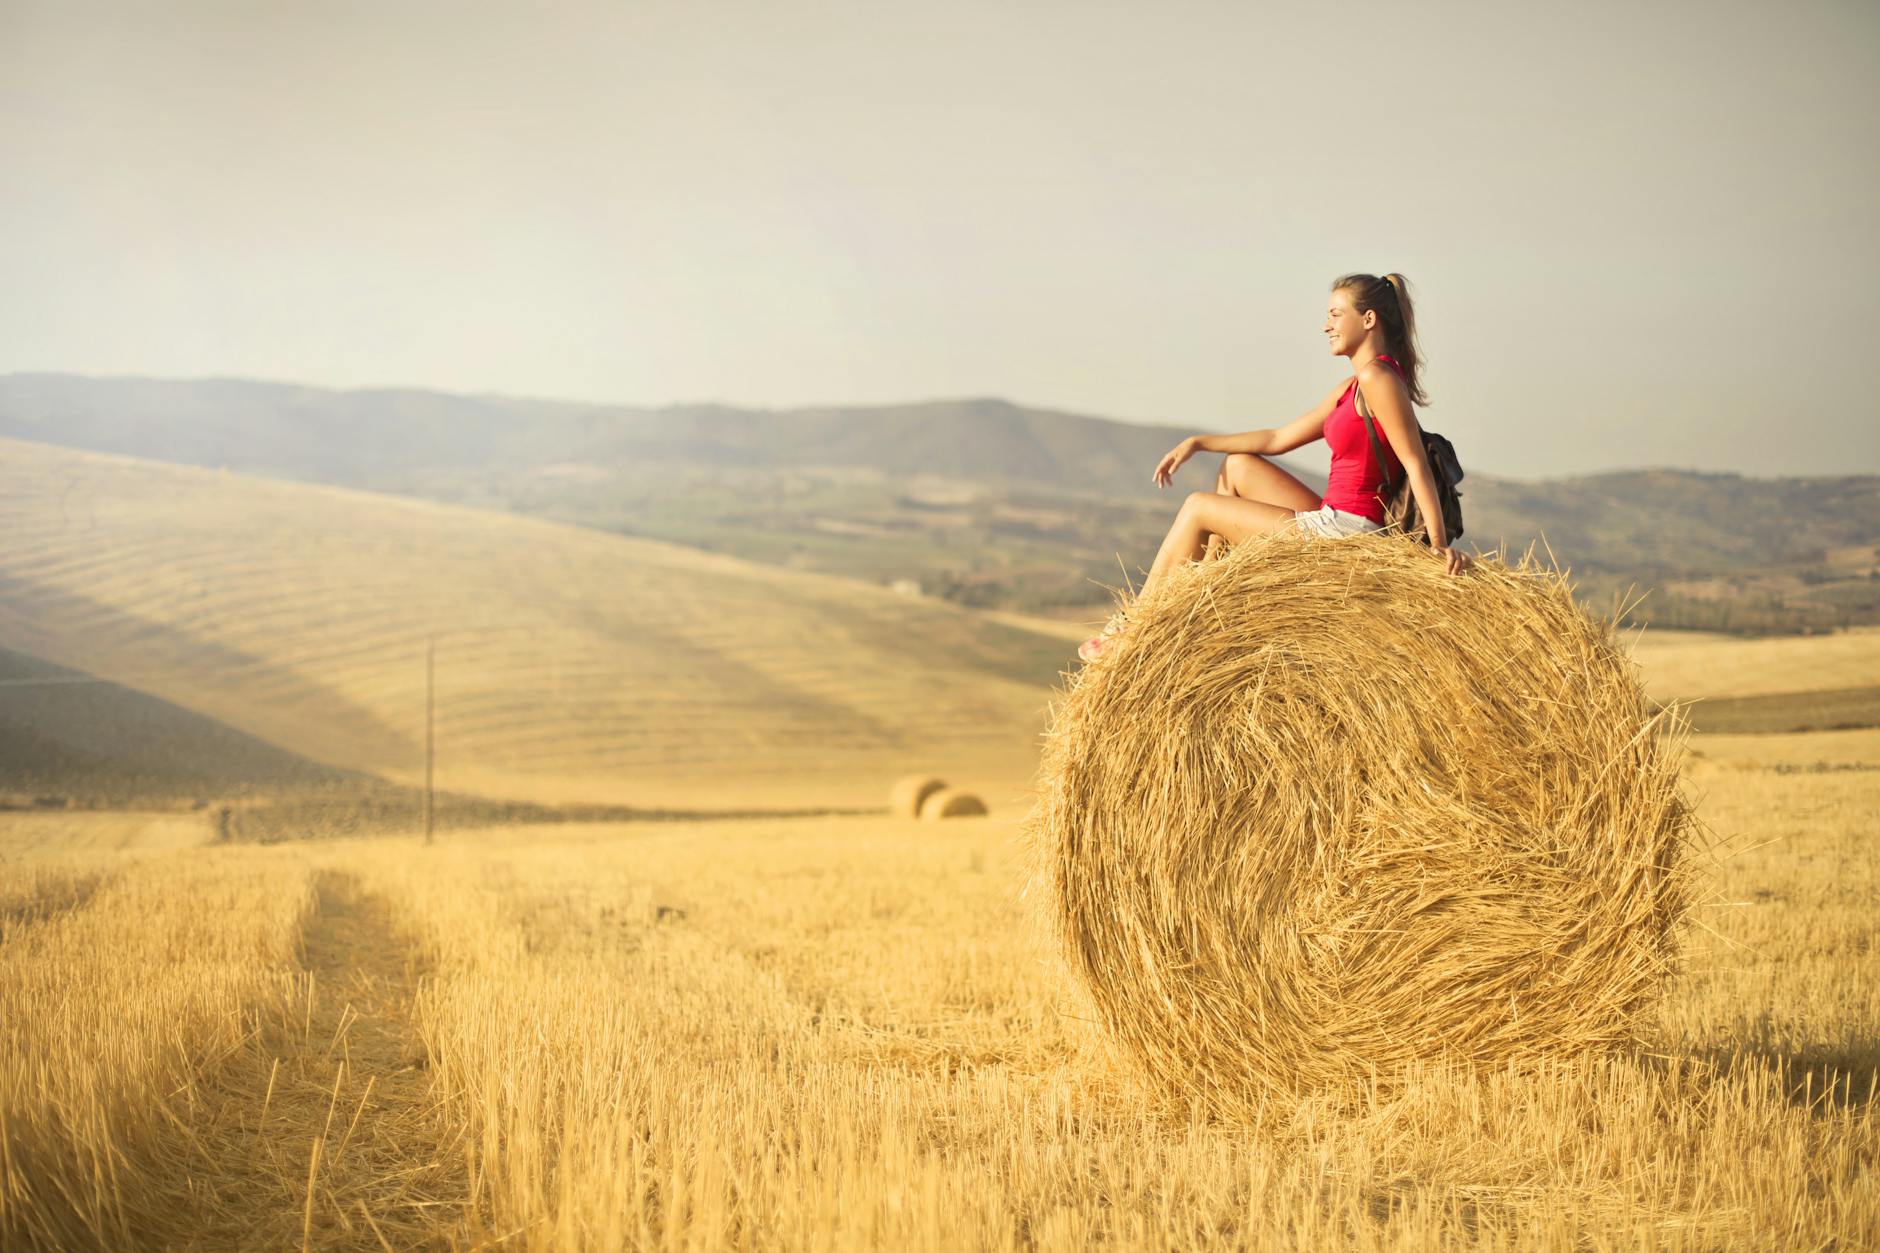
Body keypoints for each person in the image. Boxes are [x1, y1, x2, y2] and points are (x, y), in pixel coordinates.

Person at [1079, 272, 1471, 663]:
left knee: (1199, 506)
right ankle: (1201, 597)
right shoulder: (1350, 388)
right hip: (1331, 518)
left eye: (1336, 314)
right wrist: (1198, 443)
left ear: (1369, 320)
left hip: (1347, 532)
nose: (1326, 325)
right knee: (1238, 467)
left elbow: (1415, 462)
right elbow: (1276, 439)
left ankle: (1132, 631)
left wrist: (1436, 548)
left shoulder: (1377, 378)